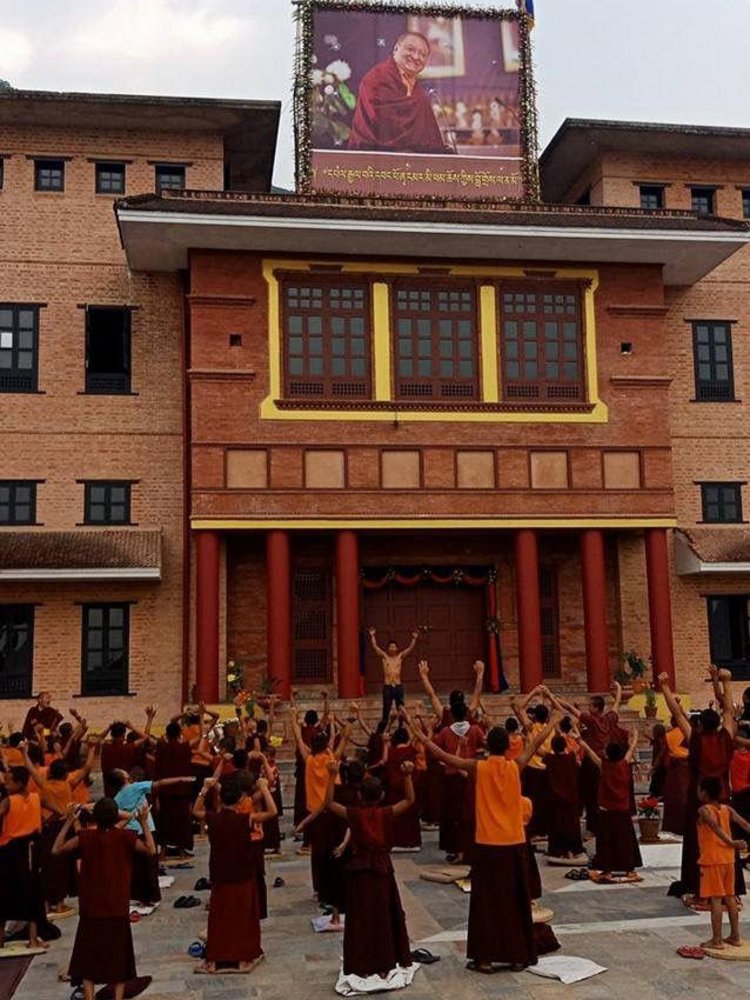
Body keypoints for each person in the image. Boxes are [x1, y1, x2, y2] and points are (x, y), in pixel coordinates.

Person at [414, 709, 559, 973]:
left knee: (487, 903)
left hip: (487, 845)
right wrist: (555, 720)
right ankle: (517, 956)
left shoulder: (478, 767)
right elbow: (536, 743)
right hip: (514, 843)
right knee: (515, 900)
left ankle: (485, 959)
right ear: (507, 747)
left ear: (486, 745)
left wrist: (423, 738)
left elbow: (446, 757)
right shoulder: (516, 765)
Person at [324, 759, 419, 994]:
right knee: (383, 918)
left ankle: (362, 965)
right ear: (382, 795)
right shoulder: (386, 812)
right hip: (382, 869)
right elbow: (409, 801)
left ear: (359, 795)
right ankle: (385, 965)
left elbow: (328, 803)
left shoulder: (354, 814)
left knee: (361, 920)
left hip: (359, 870)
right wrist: (407, 776)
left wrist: (331, 775)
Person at [52, 798, 155, 1000]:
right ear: (116, 815)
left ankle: (89, 998)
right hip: (116, 905)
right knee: (118, 957)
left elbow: (57, 849)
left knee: (89, 957)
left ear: (95, 817)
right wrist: (143, 821)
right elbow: (151, 849)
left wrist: (68, 821)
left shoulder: (85, 837)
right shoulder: (125, 836)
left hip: (91, 906)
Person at [660, 668, 746, 902]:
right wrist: (726, 681)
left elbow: (677, 714)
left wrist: (665, 686)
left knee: (700, 844)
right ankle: (731, 890)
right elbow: (729, 709)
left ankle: (703, 887)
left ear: (701, 725)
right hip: (723, 797)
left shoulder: (696, 740)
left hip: (699, 799)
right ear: (717, 723)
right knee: (725, 842)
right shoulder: (726, 738)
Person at [192, 773, 277, 974]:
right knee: (242, 917)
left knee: (219, 917)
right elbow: (272, 812)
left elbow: (196, 810)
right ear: (240, 799)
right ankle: (242, 960)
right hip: (243, 873)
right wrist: (264, 787)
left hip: (221, 873)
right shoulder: (245, 819)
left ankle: (213, 960)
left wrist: (205, 788)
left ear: (220, 799)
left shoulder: (213, 818)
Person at [347, 32, 450, 155]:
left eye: (423, 55)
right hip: (374, 158)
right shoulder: (376, 78)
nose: (417, 57)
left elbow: (428, 131)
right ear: (396, 49)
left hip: (412, 161)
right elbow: (383, 124)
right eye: (411, 50)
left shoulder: (418, 90)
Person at [112, 766, 194, 906]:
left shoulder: (117, 797)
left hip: (129, 832)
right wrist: (181, 779)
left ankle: (138, 895)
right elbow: (159, 783)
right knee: (150, 865)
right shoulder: (136, 787)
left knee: (137, 866)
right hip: (146, 829)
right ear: (125, 778)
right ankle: (151, 896)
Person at [555, 682, 625, 834]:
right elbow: (617, 704)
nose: (588, 708)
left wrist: (555, 699)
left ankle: (593, 827)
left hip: (592, 760)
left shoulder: (592, 720)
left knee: (591, 794)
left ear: (595, 708)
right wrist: (618, 689)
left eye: (590, 706)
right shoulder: (609, 719)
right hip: (607, 760)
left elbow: (570, 709)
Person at [579, 729, 642, 881]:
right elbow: (631, 748)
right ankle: (629, 871)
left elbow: (590, 752)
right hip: (623, 811)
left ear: (608, 755)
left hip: (606, 811)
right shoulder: (624, 765)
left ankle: (607, 871)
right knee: (625, 842)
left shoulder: (604, 766)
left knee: (606, 842)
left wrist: (579, 740)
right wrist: (634, 738)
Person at [696, 775, 750, 949]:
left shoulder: (704, 810)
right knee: (731, 897)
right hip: (728, 859)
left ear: (704, 792)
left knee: (716, 900)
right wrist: (733, 844)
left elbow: (715, 828)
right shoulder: (727, 809)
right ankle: (735, 936)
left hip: (712, 860)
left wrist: (732, 843)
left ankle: (717, 940)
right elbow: (745, 824)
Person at [0, 765, 45, 951]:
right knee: (32, 893)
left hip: (9, 852)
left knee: (3, 895)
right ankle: (32, 939)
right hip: (30, 850)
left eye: (9, 781)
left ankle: (0, 939)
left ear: (19, 783)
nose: (5, 783)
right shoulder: (36, 797)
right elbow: (58, 810)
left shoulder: (8, 801)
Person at [154, 721, 194, 860]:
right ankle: (182, 852)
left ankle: (163, 852)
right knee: (182, 822)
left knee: (165, 822)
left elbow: (147, 736)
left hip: (164, 791)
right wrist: (201, 716)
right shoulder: (184, 747)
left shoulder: (161, 748)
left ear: (167, 734)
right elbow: (201, 737)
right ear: (179, 733)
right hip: (182, 791)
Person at [368, 626, 419, 726]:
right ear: (388, 648)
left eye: (394, 646)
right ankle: (383, 729)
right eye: (390, 646)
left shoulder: (400, 657)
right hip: (387, 687)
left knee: (401, 709)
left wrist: (414, 638)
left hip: (398, 686)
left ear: (397, 648)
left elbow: (410, 648)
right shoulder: (384, 657)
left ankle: (401, 728)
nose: (392, 648)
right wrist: (372, 635)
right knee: (386, 710)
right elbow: (375, 647)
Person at [544, 734, 583, 860]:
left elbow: (538, 751)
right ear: (565, 746)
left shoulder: (550, 758)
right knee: (571, 825)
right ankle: (572, 850)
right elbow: (577, 750)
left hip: (555, 799)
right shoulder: (571, 758)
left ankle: (558, 851)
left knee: (556, 825)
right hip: (571, 798)